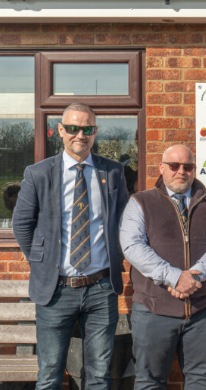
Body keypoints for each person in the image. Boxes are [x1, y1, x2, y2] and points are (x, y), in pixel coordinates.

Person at [12, 102, 129, 390]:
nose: (81, 134)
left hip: (101, 289)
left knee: (99, 374)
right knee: (50, 373)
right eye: (74, 128)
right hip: (56, 289)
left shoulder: (113, 172)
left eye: (87, 128)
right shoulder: (38, 173)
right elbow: (22, 224)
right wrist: (42, 262)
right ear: (61, 131)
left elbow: (125, 223)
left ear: (95, 132)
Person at [119, 144, 206, 390]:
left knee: (201, 379)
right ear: (162, 168)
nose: (181, 171)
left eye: (187, 166)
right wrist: (174, 277)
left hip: (202, 308)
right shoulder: (140, 202)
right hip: (154, 309)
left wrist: (195, 276)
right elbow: (132, 247)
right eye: (174, 166)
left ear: (194, 170)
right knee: (150, 381)